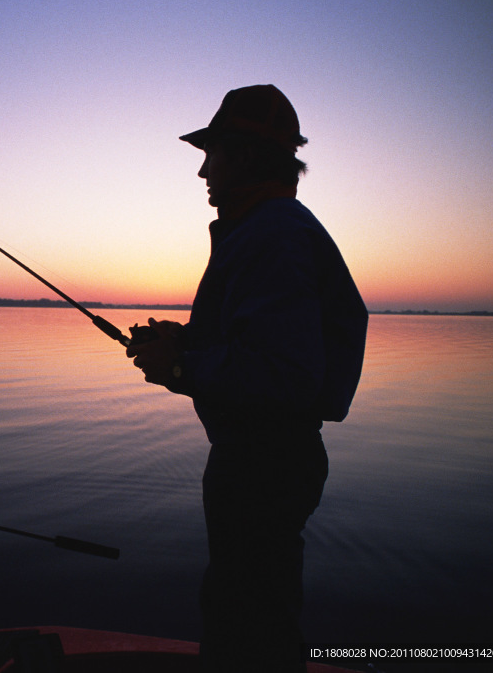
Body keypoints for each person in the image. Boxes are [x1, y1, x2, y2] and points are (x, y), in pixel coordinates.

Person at [126, 84, 367, 672]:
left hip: (263, 462)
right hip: (266, 459)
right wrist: (185, 342)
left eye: (212, 154)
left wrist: (180, 367)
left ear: (245, 156)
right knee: (253, 610)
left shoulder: (274, 234)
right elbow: (263, 343)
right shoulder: (265, 228)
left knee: (247, 625)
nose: (202, 170)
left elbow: (285, 374)